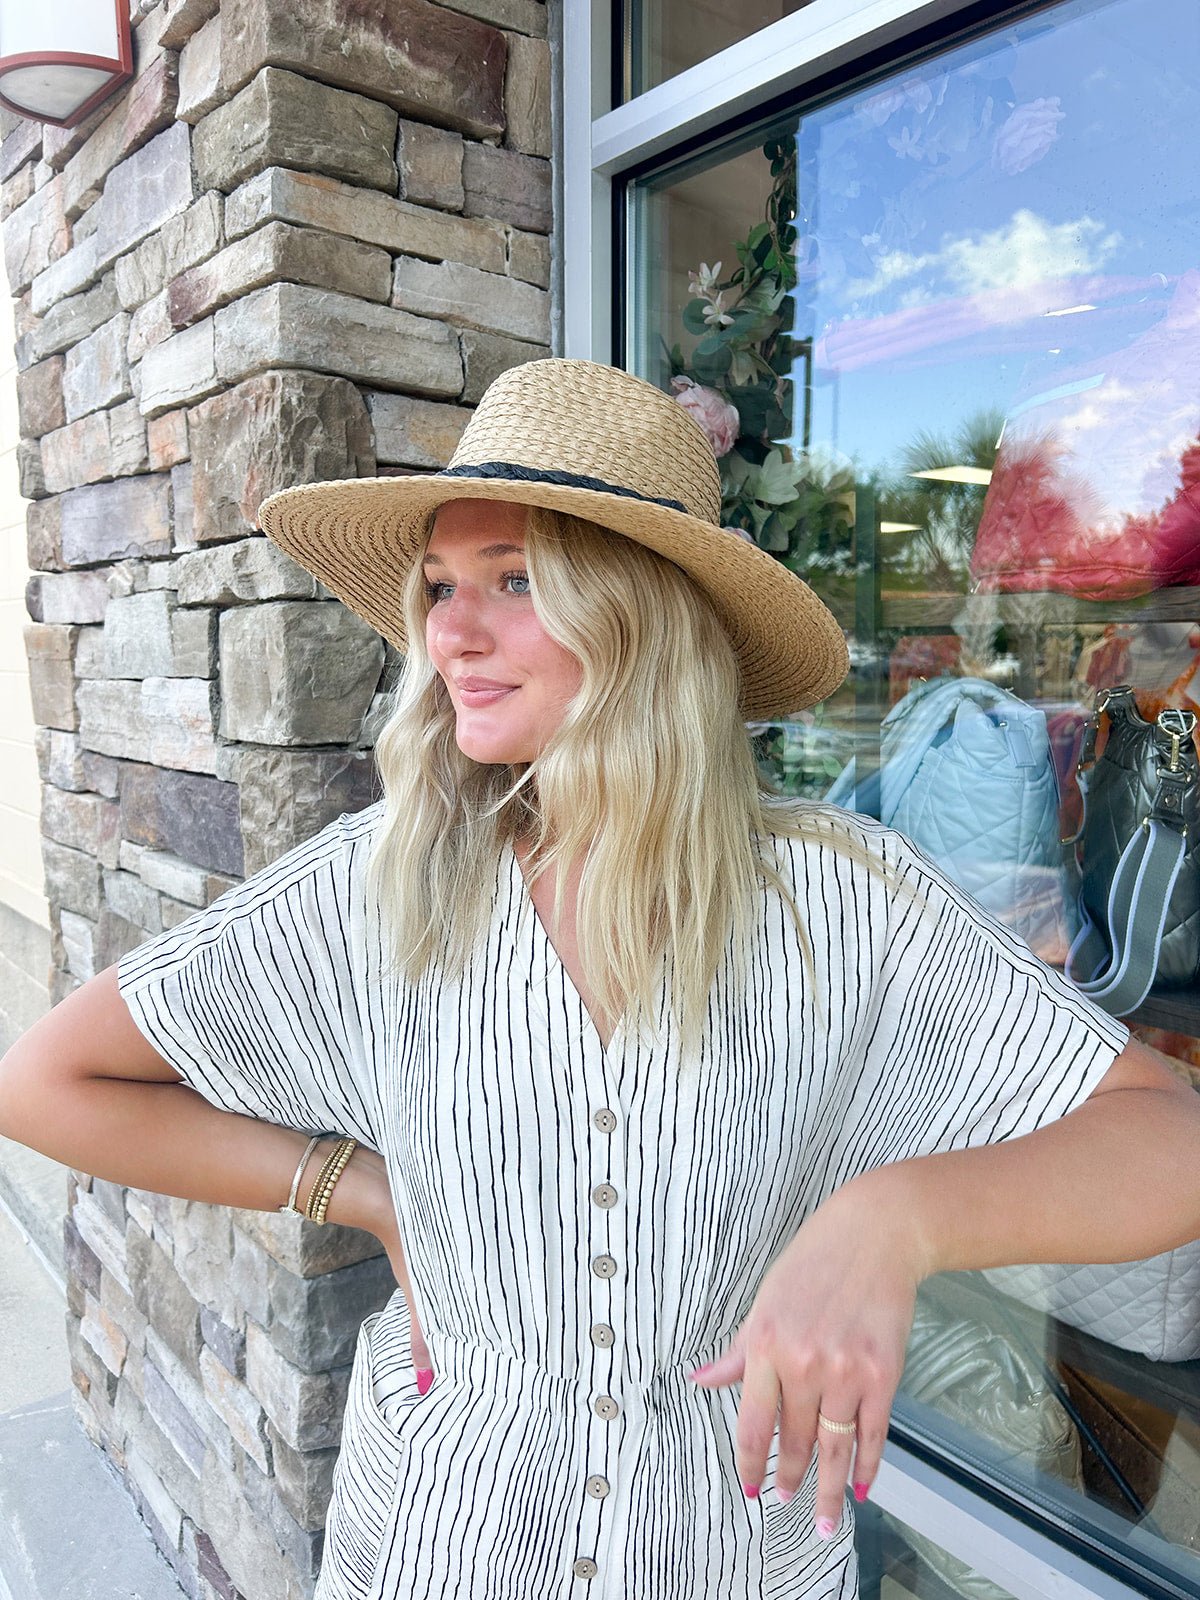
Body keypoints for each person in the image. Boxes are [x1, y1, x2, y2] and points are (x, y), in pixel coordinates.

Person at [1, 357, 1197, 1600]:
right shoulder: (381, 883)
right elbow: (46, 1081)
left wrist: (900, 1220)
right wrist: (356, 1187)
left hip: (729, 1559)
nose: (451, 631)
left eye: (516, 581)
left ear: (645, 612)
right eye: (441, 585)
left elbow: (1173, 1142)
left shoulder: (839, 904)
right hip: (439, 1549)